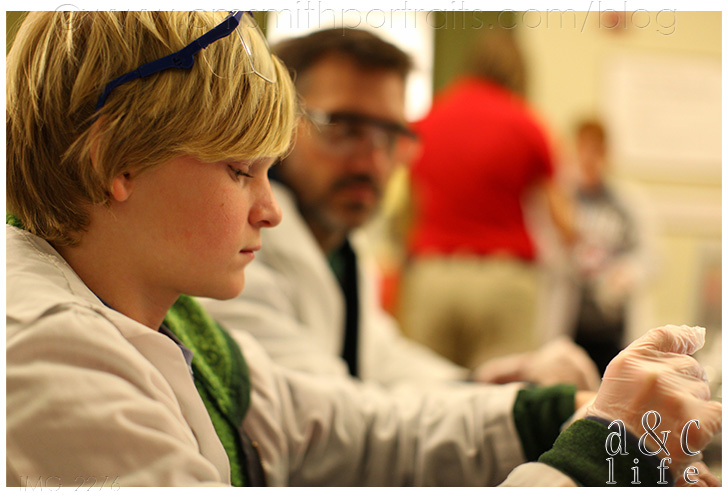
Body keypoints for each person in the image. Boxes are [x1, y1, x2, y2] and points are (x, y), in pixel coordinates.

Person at [6, 12, 720, 488]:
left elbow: (343, 428)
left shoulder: (170, 317)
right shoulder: (51, 360)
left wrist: (556, 411)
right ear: (118, 161)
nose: (269, 208)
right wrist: (595, 455)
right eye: (240, 170)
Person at [199, 27, 599, 391]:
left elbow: (379, 360)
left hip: (432, 275)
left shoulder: (348, 246)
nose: (372, 162)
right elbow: (329, 411)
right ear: (277, 121)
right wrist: (513, 409)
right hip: (505, 278)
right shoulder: (234, 251)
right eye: (344, 128)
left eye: (389, 135)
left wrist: (481, 386)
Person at [399, 30, 575, 370]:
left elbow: (409, 206)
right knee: (502, 392)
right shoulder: (527, 124)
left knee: (424, 387)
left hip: (433, 275)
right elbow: (564, 223)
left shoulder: (429, 120)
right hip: (504, 281)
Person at [566, 119, 654, 374]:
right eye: (583, 149)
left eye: (597, 150)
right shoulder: (562, 201)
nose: (589, 158)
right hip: (573, 323)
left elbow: (650, 256)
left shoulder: (627, 203)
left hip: (614, 329)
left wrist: (627, 274)